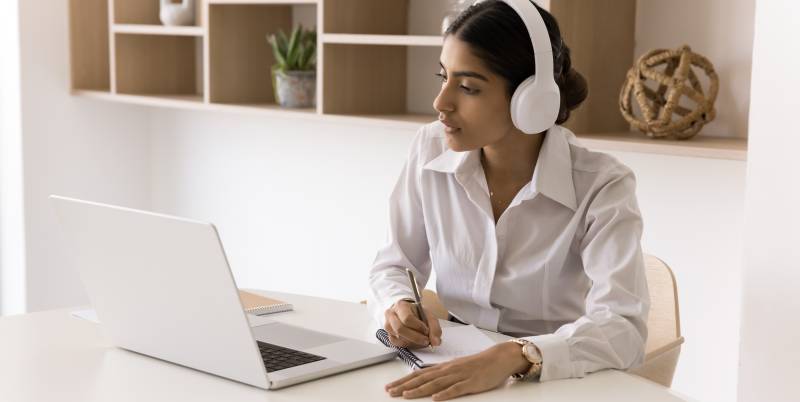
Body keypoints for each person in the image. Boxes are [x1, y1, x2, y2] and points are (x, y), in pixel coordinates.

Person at [367, 0, 650, 400]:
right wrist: (396, 304)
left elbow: (624, 328)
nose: (440, 103)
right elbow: (393, 263)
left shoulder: (602, 185)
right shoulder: (429, 149)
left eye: (467, 87)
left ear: (531, 99)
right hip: (452, 368)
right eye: (442, 77)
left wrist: (517, 355)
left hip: (556, 383)